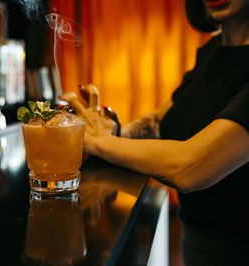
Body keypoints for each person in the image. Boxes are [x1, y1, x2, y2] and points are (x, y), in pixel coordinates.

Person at [60, 0, 249, 265]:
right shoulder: (212, 52)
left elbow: (192, 166)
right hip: (196, 239)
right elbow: (160, 120)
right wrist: (115, 131)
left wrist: (95, 140)